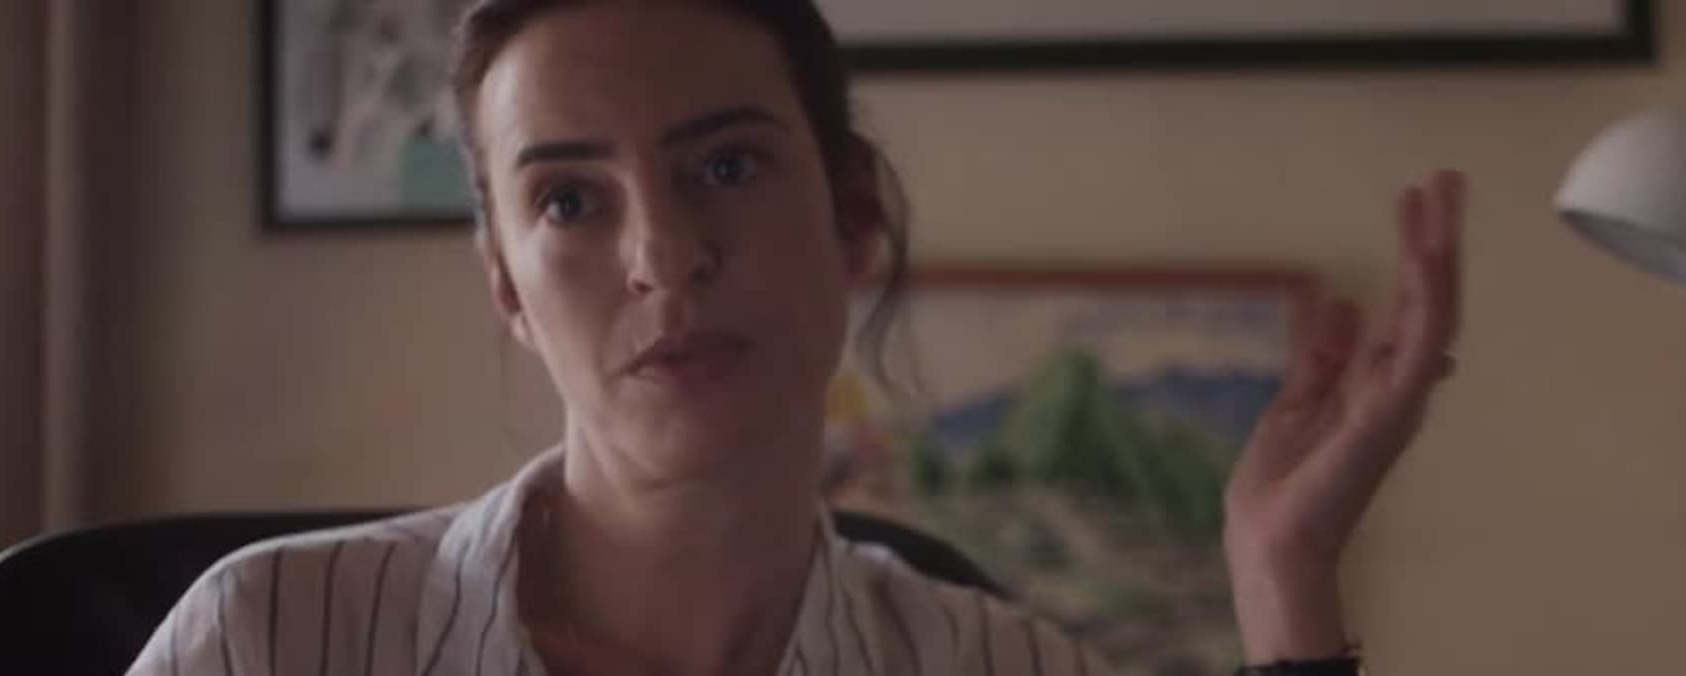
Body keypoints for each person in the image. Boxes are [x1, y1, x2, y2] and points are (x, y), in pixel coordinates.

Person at [127, 1, 1464, 674]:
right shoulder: (269, 640)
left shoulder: (1002, 667)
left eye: (725, 168)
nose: (664, 259)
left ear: (854, 217)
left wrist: (1284, 583)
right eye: (571, 201)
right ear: (508, 289)